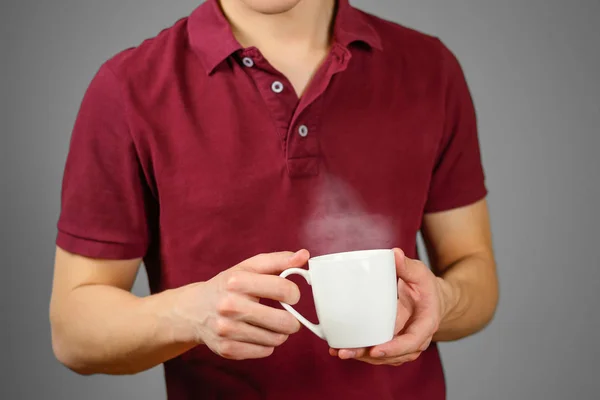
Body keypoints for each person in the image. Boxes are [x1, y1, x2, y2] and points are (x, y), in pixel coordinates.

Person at [49, 0, 499, 398]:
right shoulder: (128, 87)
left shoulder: (430, 68)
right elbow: (73, 333)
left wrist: (441, 301)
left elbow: (475, 273)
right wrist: (191, 315)